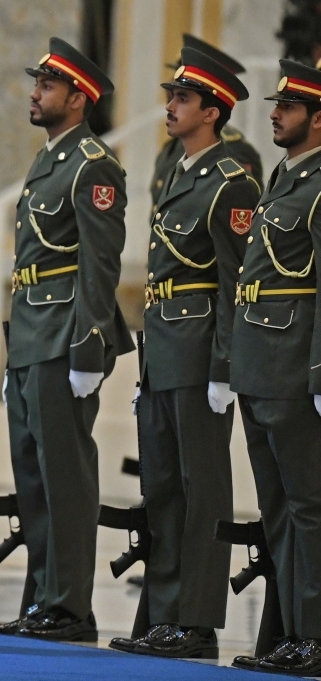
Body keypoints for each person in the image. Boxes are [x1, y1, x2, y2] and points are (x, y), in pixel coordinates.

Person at [108, 47, 259, 659]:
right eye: (171, 97)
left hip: (199, 353)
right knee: (165, 487)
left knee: (203, 490)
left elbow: (234, 283)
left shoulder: (231, 181)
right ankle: (164, 613)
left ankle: (196, 621)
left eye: (182, 99)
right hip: (165, 346)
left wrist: (225, 366)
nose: (169, 106)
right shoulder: (182, 170)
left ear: (212, 110)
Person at [0, 37, 134, 642]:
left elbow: (99, 266)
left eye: (47, 86)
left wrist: (90, 347)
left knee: (65, 477)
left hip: (63, 336)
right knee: (34, 477)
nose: (34, 93)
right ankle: (44, 599)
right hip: (31, 334)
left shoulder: (93, 163)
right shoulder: (49, 159)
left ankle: (70, 607)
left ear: (78, 98)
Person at [229, 60, 321, 675]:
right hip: (259, 364)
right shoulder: (284, 182)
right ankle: (289, 631)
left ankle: (313, 638)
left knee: (309, 505)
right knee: (277, 508)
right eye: (277, 104)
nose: (274, 113)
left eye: (288, 107)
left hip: (294, 366)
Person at [150, 34, 262, 207]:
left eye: (183, 97)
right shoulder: (173, 150)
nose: (170, 103)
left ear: (210, 113)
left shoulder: (235, 155)